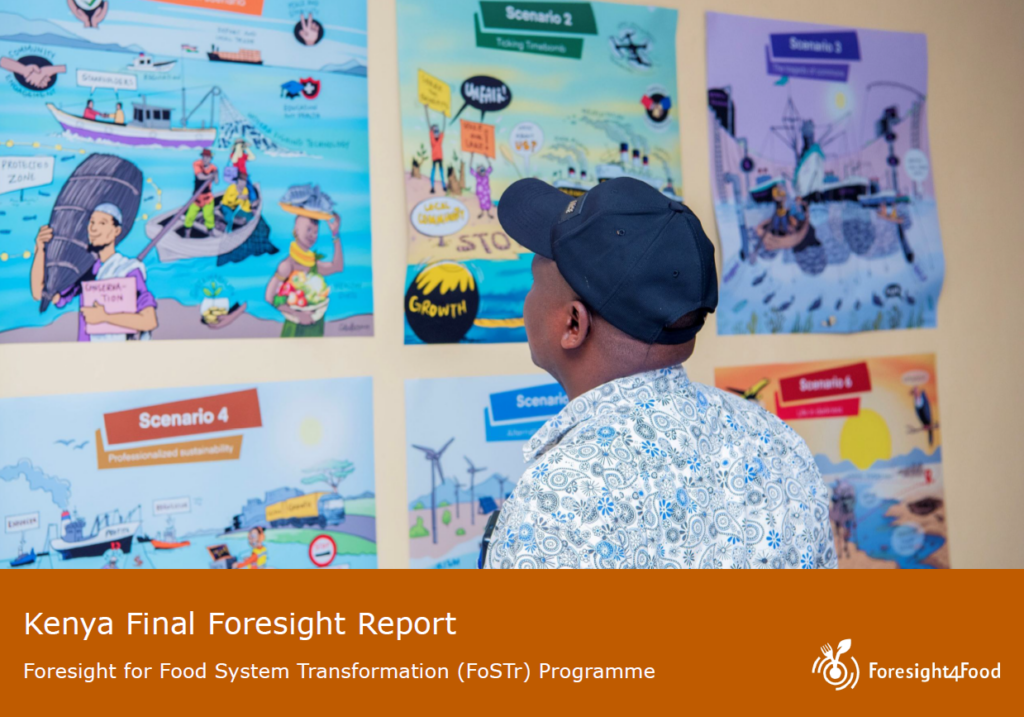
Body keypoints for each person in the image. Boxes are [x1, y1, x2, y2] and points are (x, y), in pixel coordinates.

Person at [482, 177, 836, 569]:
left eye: (534, 282)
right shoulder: (778, 445)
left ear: (573, 324)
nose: (528, 299)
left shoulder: (556, 500)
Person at [30, 202, 158, 342]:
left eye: (102, 223)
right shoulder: (85, 270)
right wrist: (40, 249)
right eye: (91, 222)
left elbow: (149, 320)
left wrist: (105, 317)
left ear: (116, 231)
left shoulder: (128, 270)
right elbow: (40, 294)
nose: (94, 228)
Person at [265, 184, 343, 338]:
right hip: (295, 327)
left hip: (316, 325)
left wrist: (335, 234)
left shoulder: (312, 263)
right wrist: (298, 315)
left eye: (315, 232)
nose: (312, 235)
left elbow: (337, 267)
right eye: (308, 229)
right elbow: (270, 297)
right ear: (296, 229)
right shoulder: (287, 265)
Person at [184, 148, 219, 238]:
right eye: (204, 156)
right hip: (196, 197)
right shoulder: (197, 164)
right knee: (190, 215)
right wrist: (211, 175)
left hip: (207, 197)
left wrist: (216, 174)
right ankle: (187, 234)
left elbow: (216, 181)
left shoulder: (213, 168)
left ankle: (210, 232)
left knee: (209, 216)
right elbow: (200, 176)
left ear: (210, 158)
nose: (205, 159)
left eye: (207, 157)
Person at [424, 105, 446, 193]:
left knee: (441, 172)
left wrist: (444, 116)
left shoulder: (440, 137)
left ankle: (444, 186)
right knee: (433, 172)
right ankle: (432, 187)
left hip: (439, 157)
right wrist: (426, 109)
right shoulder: (432, 137)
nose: (436, 131)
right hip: (434, 157)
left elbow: (443, 128)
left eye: (437, 130)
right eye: (434, 130)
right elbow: (428, 123)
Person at [469, 153, 493, 219]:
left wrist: (487, 158)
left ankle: (488, 213)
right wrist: (471, 157)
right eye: (479, 170)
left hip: (486, 192)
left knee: (487, 202)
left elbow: (490, 167)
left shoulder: (486, 174)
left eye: (483, 170)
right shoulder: (477, 175)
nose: (482, 172)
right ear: (478, 171)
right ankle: (482, 213)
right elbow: (471, 169)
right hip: (480, 192)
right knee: (481, 202)